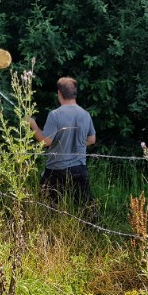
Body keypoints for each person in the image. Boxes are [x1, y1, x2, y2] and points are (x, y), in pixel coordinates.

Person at [28, 76, 96, 206]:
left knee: (49, 209)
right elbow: (92, 140)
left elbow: (45, 142)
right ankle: (92, 227)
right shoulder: (85, 114)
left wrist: (33, 124)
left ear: (59, 93)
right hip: (79, 169)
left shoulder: (55, 114)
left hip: (56, 170)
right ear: (74, 93)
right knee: (86, 209)